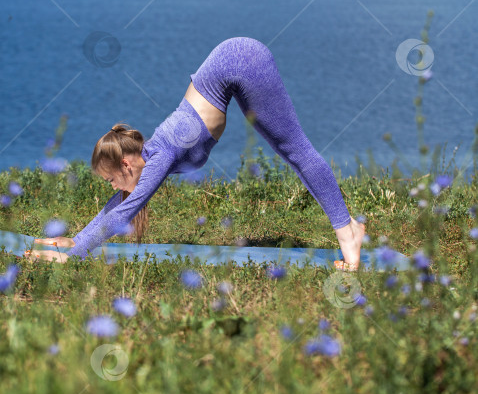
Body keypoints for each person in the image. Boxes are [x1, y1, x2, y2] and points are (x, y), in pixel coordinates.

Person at [26, 37, 365, 271]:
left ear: (126, 163)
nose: (110, 186)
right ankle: (347, 228)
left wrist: (73, 257)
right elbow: (119, 205)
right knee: (293, 152)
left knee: (296, 150)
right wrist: (78, 240)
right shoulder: (151, 154)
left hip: (241, 61)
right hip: (231, 65)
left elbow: (123, 215)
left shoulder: (159, 157)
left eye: (109, 178)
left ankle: (348, 231)